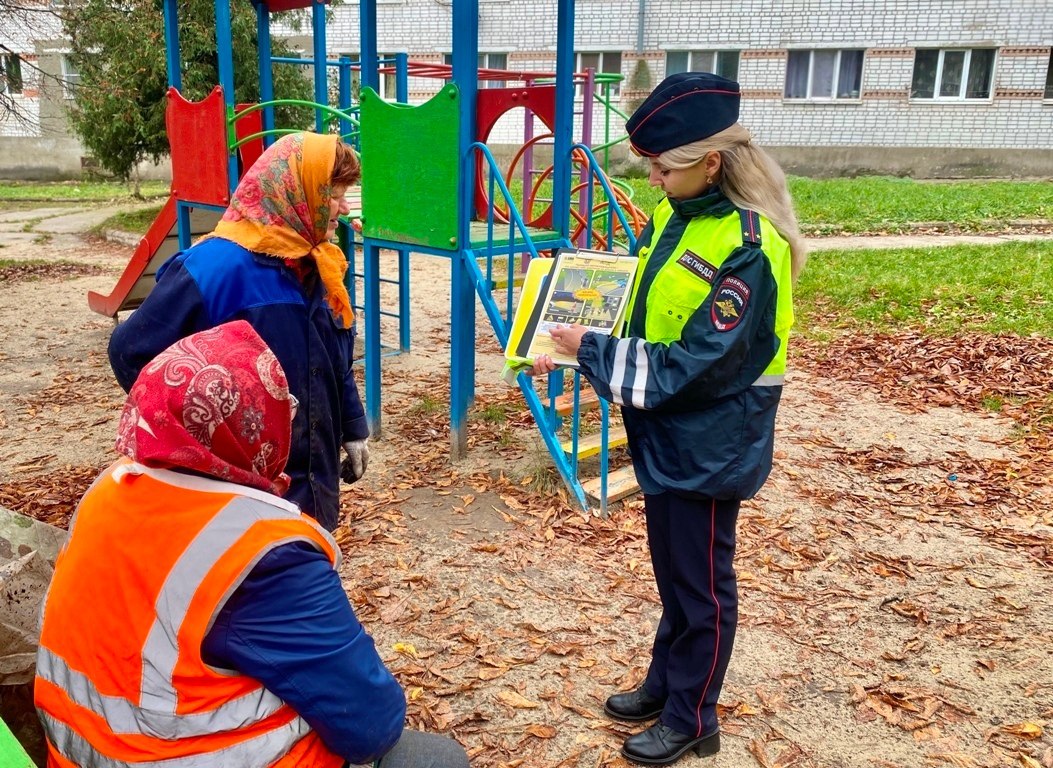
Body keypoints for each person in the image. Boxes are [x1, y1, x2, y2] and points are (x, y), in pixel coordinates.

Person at [35, 321, 469, 768]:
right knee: (436, 758)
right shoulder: (260, 550)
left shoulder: (109, 490)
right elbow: (370, 724)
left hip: (77, 752)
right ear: (257, 423)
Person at [532, 73, 806, 765]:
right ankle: (666, 681)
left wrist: (589, 349)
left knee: (702, 589)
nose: (651, 178)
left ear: (710, 162)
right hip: (672, 434)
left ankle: (692, 717)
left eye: (662, 166)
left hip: (712, 441)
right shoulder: (675, 216)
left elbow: (696, 363)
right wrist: (557, 343)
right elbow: (635, 308)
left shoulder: (750, 243)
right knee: (675, 576)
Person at [108, 131, 369, 532]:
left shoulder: (319, 262)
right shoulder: (212, 270)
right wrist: (194, 438)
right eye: (333, 193)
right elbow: (131, 353)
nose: (344, 206)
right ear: (293, 194)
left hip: (311, 484)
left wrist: (353, 428)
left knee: (304, 568)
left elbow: (336, 360)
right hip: (233, 496)